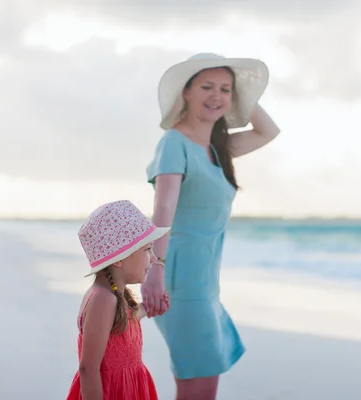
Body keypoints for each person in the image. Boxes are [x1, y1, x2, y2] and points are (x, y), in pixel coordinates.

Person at [142, 53, 281, 399]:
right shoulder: (175, 143)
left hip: (204, 281)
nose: (216, 96)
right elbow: (163, 210)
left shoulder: (218, 149)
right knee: (199, 385)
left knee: (204, 384)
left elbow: (269, 131)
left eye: (225, 89)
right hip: (179, 280)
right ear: (185, 91)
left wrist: (242, 96)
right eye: (206, 87)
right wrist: (154, 273)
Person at [66, 200, 171, 400]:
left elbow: (123, 324)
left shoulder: (113, 295)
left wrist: (147, 309)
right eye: (147, 249)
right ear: (118, 259)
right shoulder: (102, 299)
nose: (154, 258)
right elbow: (88, 369)